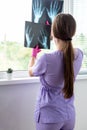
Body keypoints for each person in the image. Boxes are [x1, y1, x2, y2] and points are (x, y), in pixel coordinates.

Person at [28, 13, 83, 130]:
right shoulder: (79, 54)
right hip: (69, 116)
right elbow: (63, 54)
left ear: (52, 32)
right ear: (72, 31)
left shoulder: (46, 59)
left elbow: (31, 72)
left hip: (49, 118)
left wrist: (33, 55)